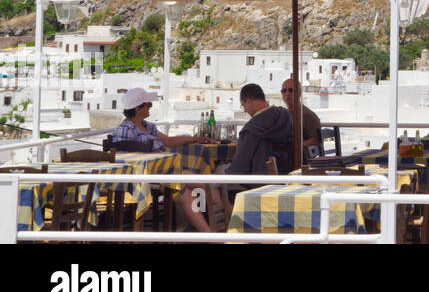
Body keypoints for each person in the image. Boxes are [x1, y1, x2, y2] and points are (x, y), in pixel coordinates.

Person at [110, 87, 215, 232]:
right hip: (146, 178)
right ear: (137, 108)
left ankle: (212, 231)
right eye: (148, 104)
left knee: (192, 189)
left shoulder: (148, 126)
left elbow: (168, 141)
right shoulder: (124, 130)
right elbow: (126, 160)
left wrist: (194, 138)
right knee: (199, 183)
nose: (151, 107)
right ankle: (225, 219)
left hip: (163, 174)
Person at [225, 83, 295, 189]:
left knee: (217, 174)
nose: (244, 110)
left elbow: (239, 166)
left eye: (243, 106)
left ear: (248, 101)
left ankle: (225, 205)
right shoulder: (285, 115)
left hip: (260, 180)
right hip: (288, 175)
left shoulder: (251, 129)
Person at [280, 79, 322, 157]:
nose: (287, 93)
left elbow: (316, 140)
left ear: (299, 93)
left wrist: (295, 147)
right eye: (284, 91)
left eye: (291, 90)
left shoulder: (307, 114)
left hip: (300, 158)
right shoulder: (284, 114)